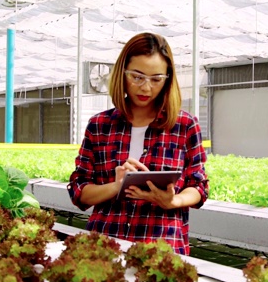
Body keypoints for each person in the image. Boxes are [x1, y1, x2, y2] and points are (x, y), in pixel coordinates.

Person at [67, 32, 209, 255]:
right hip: (104, 245)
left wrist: (172, 200)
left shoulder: (184, 125)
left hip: (161, 248)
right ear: (122, 73)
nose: (146, 88)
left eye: (156, 79)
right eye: (137, 77)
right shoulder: (100, 125)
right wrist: (116, 186)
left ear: (168, 79)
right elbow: (79, 191)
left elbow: (199, 186)